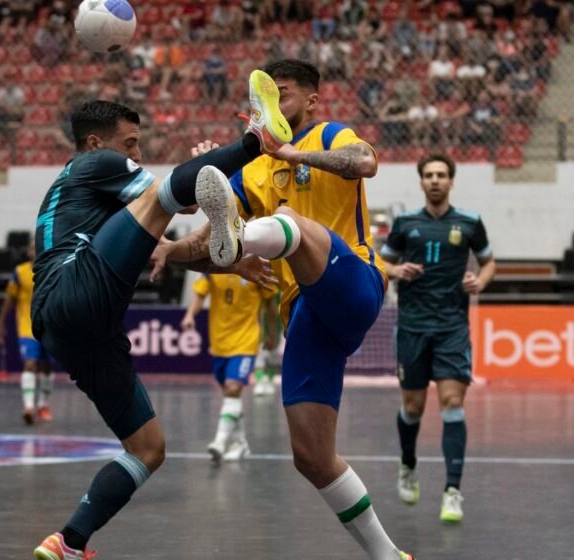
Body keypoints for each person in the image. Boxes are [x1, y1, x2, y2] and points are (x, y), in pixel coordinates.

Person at [152, 59, 415, 560]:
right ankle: (389, 555)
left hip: (354, 282)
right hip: (306, 317)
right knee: (312, 457)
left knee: (288, 220)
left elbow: (365, 163)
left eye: (282, 95)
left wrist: (293, 152)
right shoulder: (253, 168)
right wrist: (169, 249)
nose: (271, 106)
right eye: (264, 99)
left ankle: (253, 232)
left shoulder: (332, 134)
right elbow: (210, 246)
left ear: (311, 101)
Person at [31, 70, 294, 560]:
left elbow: (163, 251)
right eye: (130, 144)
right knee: (163, 194)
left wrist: (230, 261)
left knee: (148, 448)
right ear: (96, 143)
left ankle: (69, 542)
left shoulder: (96, 201)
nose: (135, 154)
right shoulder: (94, 165)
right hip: (73, 286)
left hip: (73, 328)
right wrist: (213, 169)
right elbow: (170, 196)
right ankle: (259, 138)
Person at [381, 153, 495, 524]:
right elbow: (379, 263)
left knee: (451, 402)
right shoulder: (404, 223)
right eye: (428, 175)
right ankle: (408, 464)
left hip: (452, 328)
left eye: (441, 175)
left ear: (451, 181)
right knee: (413, 408)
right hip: (412, 326)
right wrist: (396, 270)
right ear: (421, 182)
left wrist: (480, 280)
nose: (434, 180)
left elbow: (489, 261)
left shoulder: (470, 222)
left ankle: (452, 491)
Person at [180, 273, 277, 461]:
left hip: (246, 341)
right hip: (219, 343)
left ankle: (220, 441)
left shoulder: (255, 267)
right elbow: (200, 293)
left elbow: (271, 302)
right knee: (229, 396)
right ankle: (241, 444)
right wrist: (190, 315)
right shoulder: (213, 268)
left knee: (233, 388)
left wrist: (271, 332)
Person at [0, 238, 55, 424]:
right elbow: (9, 299)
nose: (34, 251)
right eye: (31, 247)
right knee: (30, 364)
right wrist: (0, 323)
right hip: (27, 327)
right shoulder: (20, 272)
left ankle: (43, 404)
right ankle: (28, 406)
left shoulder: (53, 269)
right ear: (28, 251)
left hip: (51, 327)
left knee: (47, 367)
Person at [253, 292, 283, 396]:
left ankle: (270, 381)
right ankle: (259, 381)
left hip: (276, 328)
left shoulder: (278, 292)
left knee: (273, 356)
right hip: (259, 330)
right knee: (259, 356)